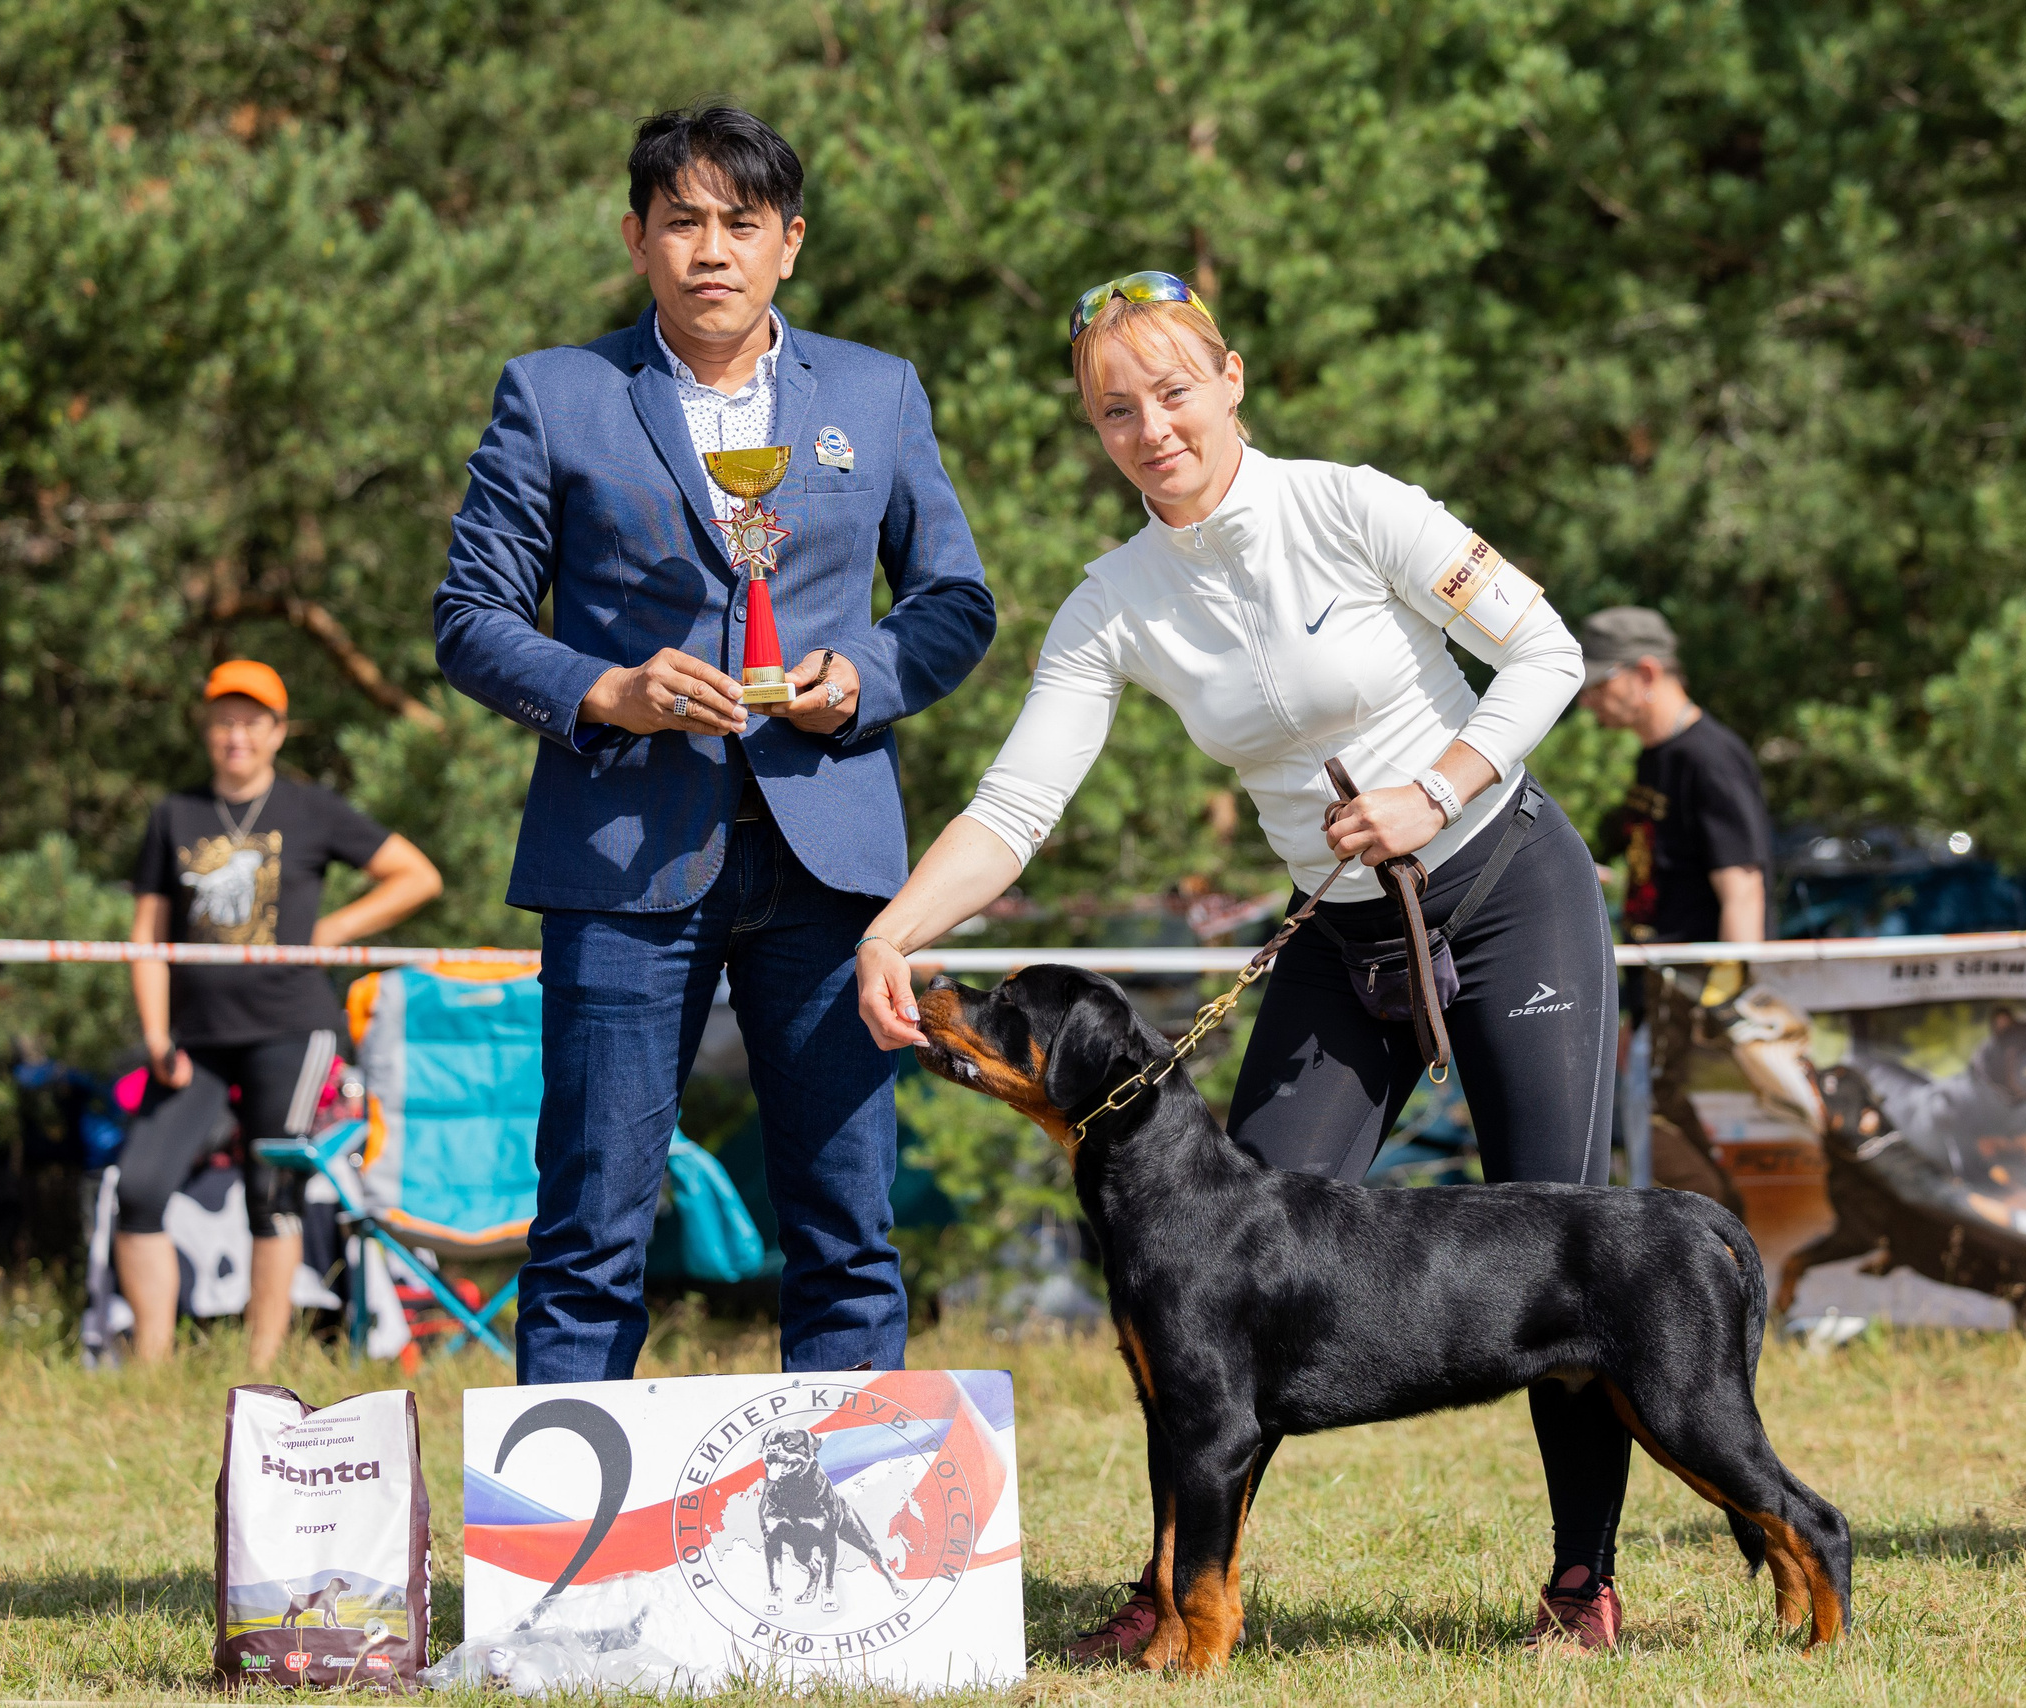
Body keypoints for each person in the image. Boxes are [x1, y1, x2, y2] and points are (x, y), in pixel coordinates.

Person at [852, 273, 1628, 1653]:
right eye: (1115, 410)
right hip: (1339, 933)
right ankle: (1177, 1594)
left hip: (1509, 884)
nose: (1152, 427)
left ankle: (1582, 1586)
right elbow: (1017, 810)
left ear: (1232, 379)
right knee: (1211, 1254)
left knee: (1559, 1242)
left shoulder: (1354, 502)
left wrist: (1433, 791)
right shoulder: (1114, 601)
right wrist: (896, 931)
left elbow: (1547, 652)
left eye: (1172, 391)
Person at [433, 105, 996, 1383]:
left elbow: (958, 605)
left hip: (834, 863)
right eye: (680, 221)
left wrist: (860, 677)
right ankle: (567, 1569)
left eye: (741, 224)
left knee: (849, 1228)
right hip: (622, 859)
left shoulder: (875, 390)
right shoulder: (556, 393)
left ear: (788, 244)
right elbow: (467, 620)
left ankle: (861, 1557)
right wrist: (605, 691)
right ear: (635, 238)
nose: (710, 250)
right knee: (589, 1230)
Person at [125, 659, 442, 1367]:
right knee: (140, 1188)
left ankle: (259, 1369)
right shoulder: (174, 815)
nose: (236, 736)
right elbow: (145, 937)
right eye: (223, 721)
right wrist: (155, 1034)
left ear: (276, 732)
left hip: (291, 1029)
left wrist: (333, 931)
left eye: (250, 722)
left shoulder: (311, 809)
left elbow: (417, 875)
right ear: (207, 730)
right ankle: (149, 1367)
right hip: (195, 1039)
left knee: (272, 1190)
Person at [1578, 607, 1774, 1212]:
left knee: (1681, 1145)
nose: (1588, 705)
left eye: (1598, 686)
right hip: (1656, 993)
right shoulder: (1655, 758)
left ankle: (1732, 1260)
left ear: (1644, 673)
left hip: (1697, 998)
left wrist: (1731, 1000)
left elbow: (1743, 885)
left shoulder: (1707, 757)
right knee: (1653, 1137)